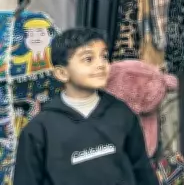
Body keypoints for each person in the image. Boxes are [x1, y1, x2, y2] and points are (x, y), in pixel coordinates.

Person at [13, 27, 159, 185]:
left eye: (104, 57)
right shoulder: (39, 130)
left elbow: (143, 171)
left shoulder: (122, 113)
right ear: (62, 73)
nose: (101, 64)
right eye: (88, 59)